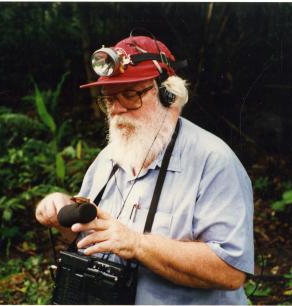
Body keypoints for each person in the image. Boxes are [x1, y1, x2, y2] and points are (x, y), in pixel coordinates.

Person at [35, 34, 254, 304]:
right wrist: (62, 212)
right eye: (109, 98)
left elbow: (231, 272)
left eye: (130, 95)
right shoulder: (110, 157)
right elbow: (93, 236)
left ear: (170, 96)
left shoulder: (213, 160)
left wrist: (137, 244)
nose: (117, 109)